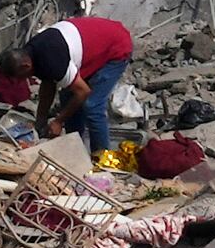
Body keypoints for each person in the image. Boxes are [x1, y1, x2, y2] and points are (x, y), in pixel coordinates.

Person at [23, 9, 135, 158]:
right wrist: (41, 120)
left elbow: (83, 92)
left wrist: (58, 121)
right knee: (68, 98)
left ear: (25, 66)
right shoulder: (33, 52)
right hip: (91, 46)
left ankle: (101, 159)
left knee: (92, 105)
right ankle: (75, 152)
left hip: (116, 48)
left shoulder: (51, 58)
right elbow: (48, 83)